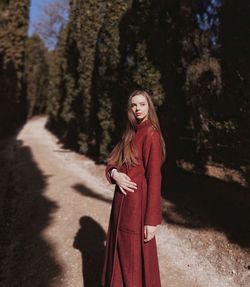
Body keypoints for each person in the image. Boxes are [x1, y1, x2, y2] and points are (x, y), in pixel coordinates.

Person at [101, 89, 166, 287]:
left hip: (137, 209)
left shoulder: (151, 134)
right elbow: (111, 162)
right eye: (134, 105)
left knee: (133, 264)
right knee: (119, 257)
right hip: (120, 206)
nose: (137, 108)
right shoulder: (130, 133)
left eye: (142, 104)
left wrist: (151, 221)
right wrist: (116, 175)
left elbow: (155, 178)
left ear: (149, 107)